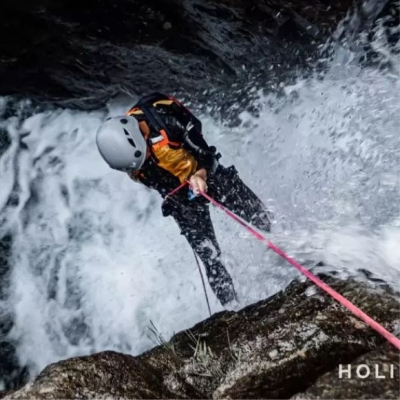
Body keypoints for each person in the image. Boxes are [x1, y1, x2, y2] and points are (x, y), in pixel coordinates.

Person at [96, 93, 272, 306]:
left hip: (207, 172)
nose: (146, 162)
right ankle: (233, 309)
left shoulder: (167, 120)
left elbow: (206, 153)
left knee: (258, 216)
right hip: (180, 195)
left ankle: (289, 247)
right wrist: (174, 197)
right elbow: (154, 180)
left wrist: (200, 174)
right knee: (209, 257)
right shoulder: (129, 159)